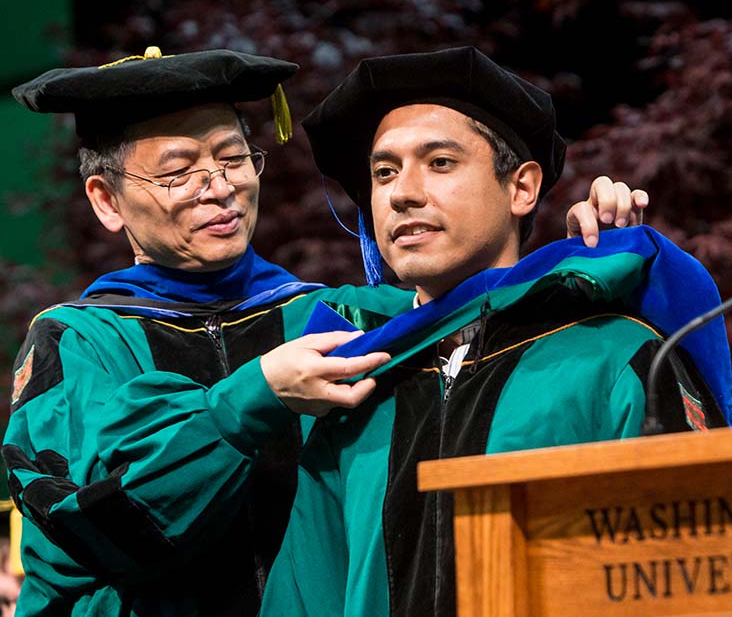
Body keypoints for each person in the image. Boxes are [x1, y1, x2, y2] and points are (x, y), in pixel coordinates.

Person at [3, 46, 641, 616]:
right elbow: (87, 528)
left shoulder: (337, 317)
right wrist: (253, 398)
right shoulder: (77, 343)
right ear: (107, 201)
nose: (218, 188)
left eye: (233, 159)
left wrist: (590, 248)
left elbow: (487, 319)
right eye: (177, 172)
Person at [262, 46, 732, 616]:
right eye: (384, 171)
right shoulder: (352, 383)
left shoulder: (613, 357)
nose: (401, 192)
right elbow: (305, 597)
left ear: (522, 189)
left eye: (439, 162)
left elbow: (691, 575)